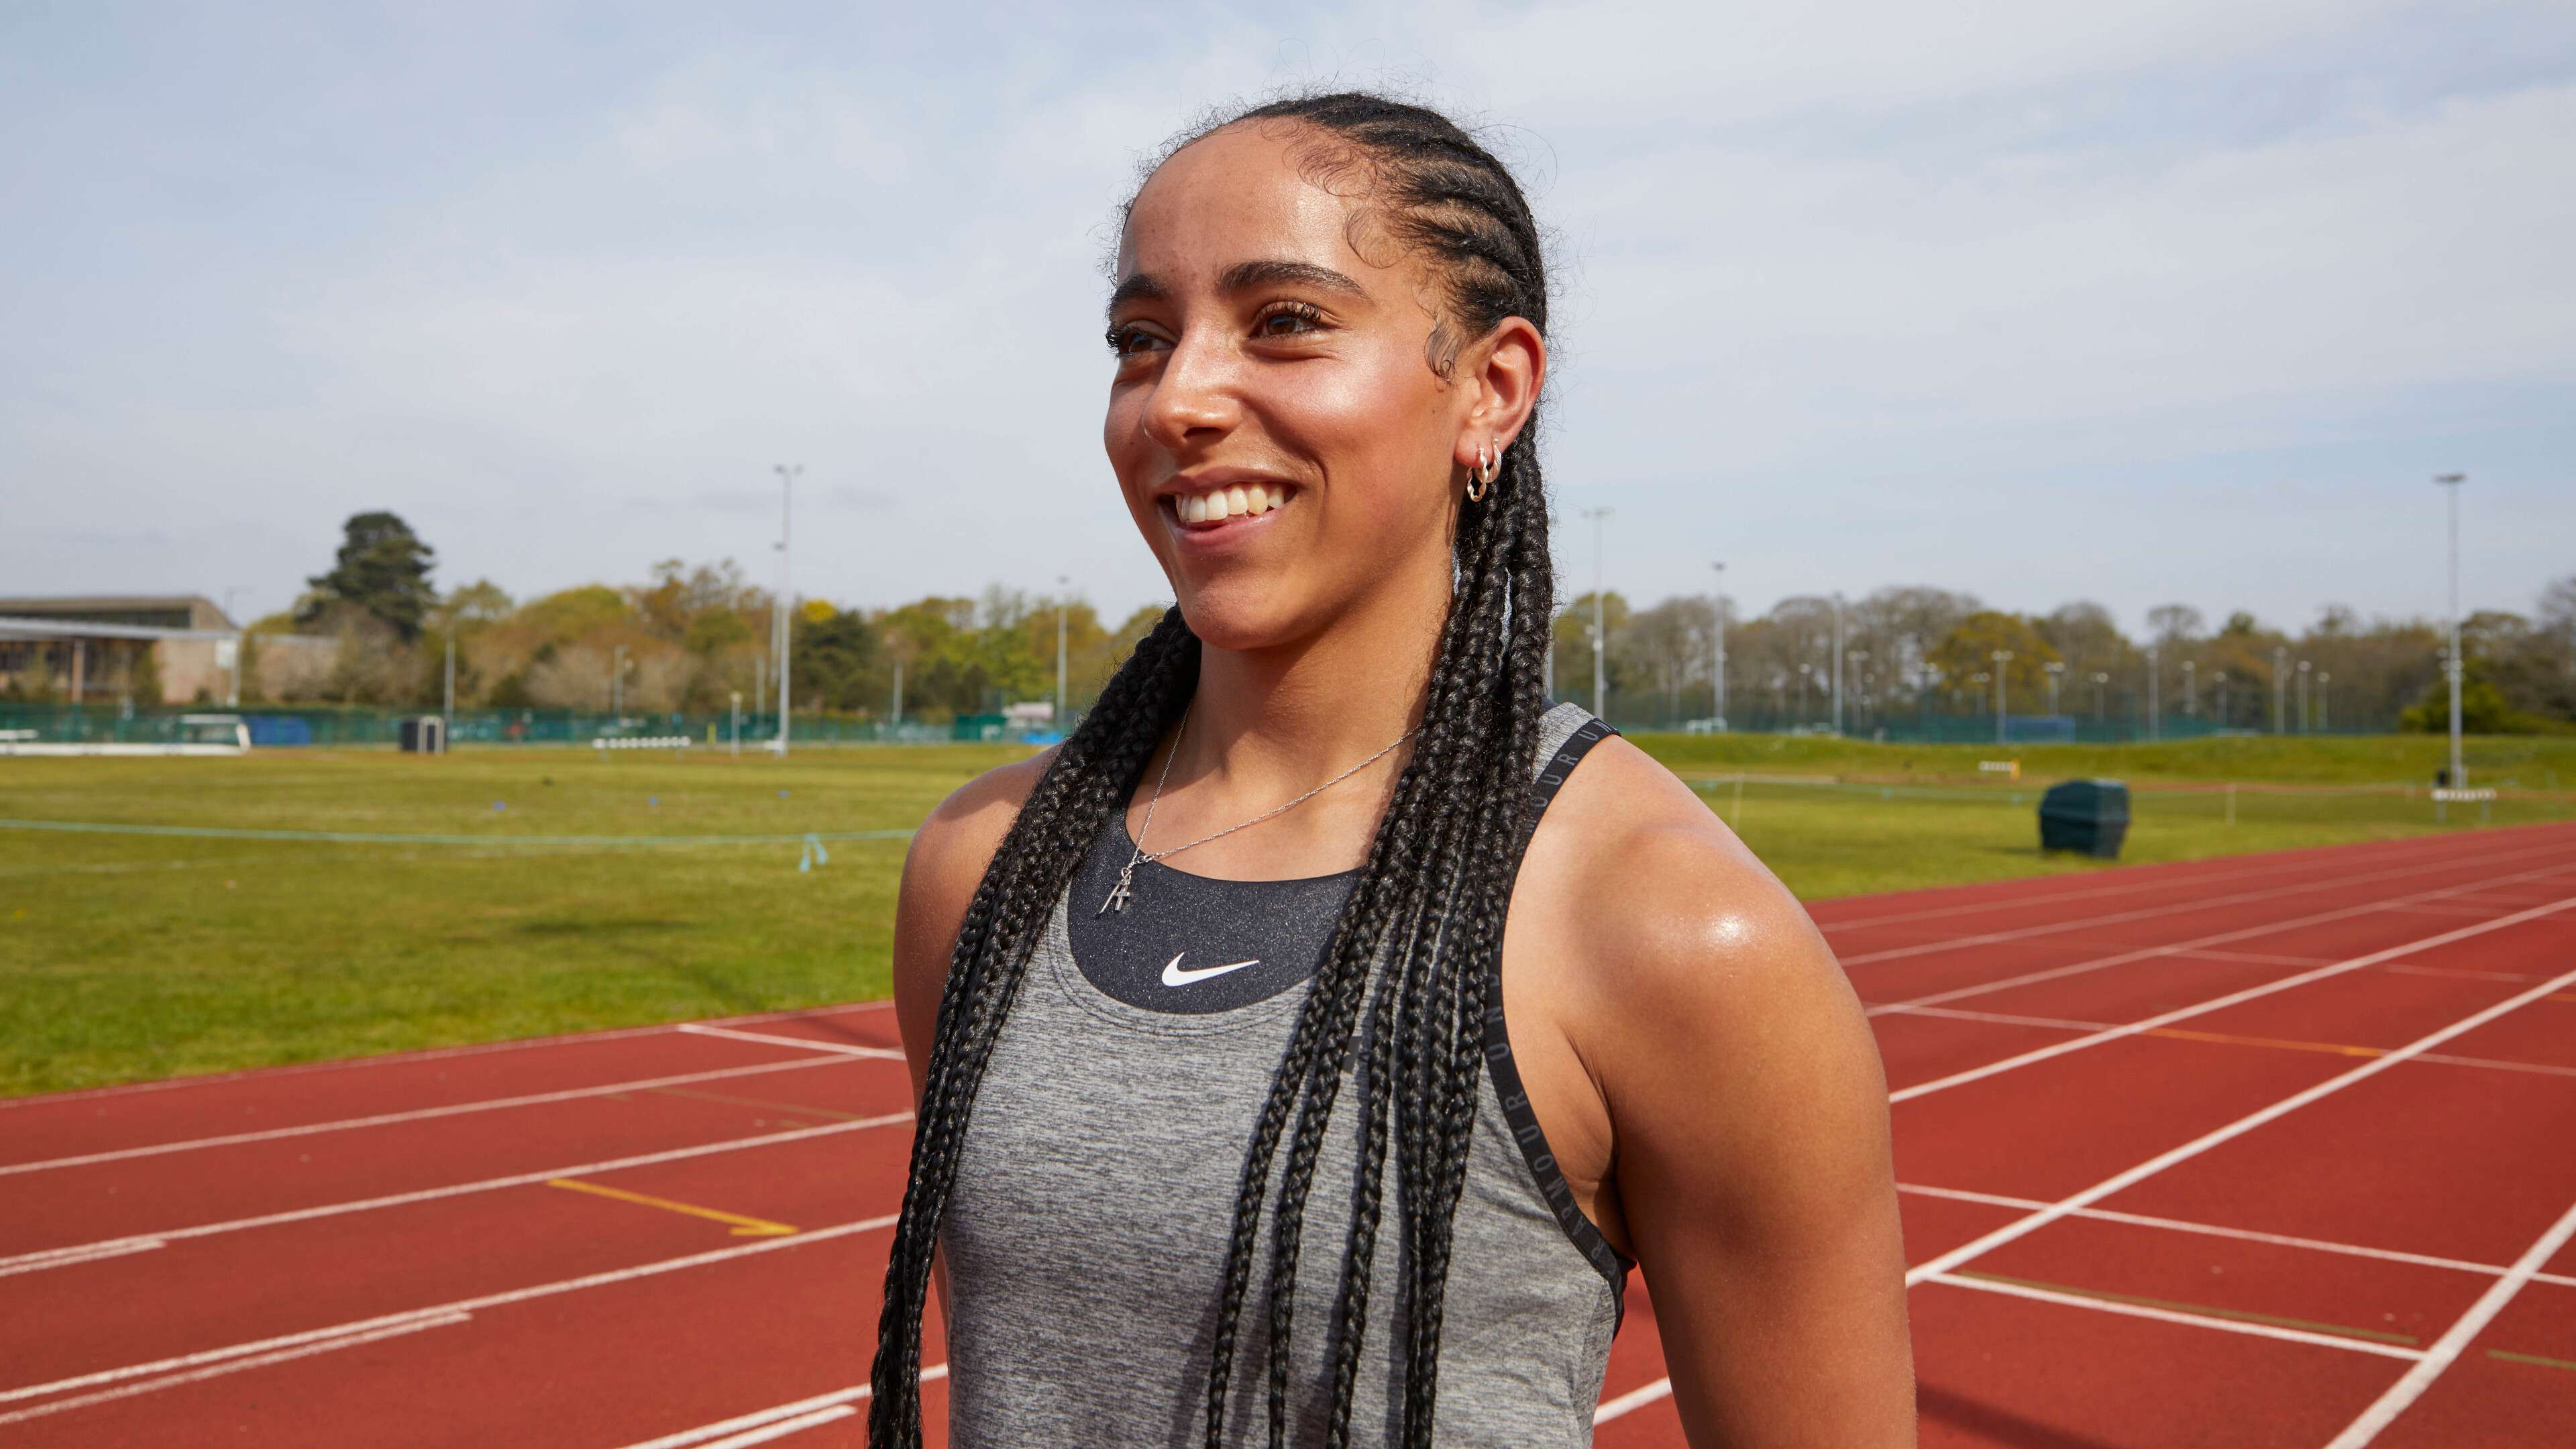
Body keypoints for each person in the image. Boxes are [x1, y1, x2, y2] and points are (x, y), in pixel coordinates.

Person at [871, 92, 1913, 1448]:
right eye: (1141, 339)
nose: (1180, 396)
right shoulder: (982, 869)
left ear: (1492, 388)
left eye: (1285, 320)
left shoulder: (1665, 930)